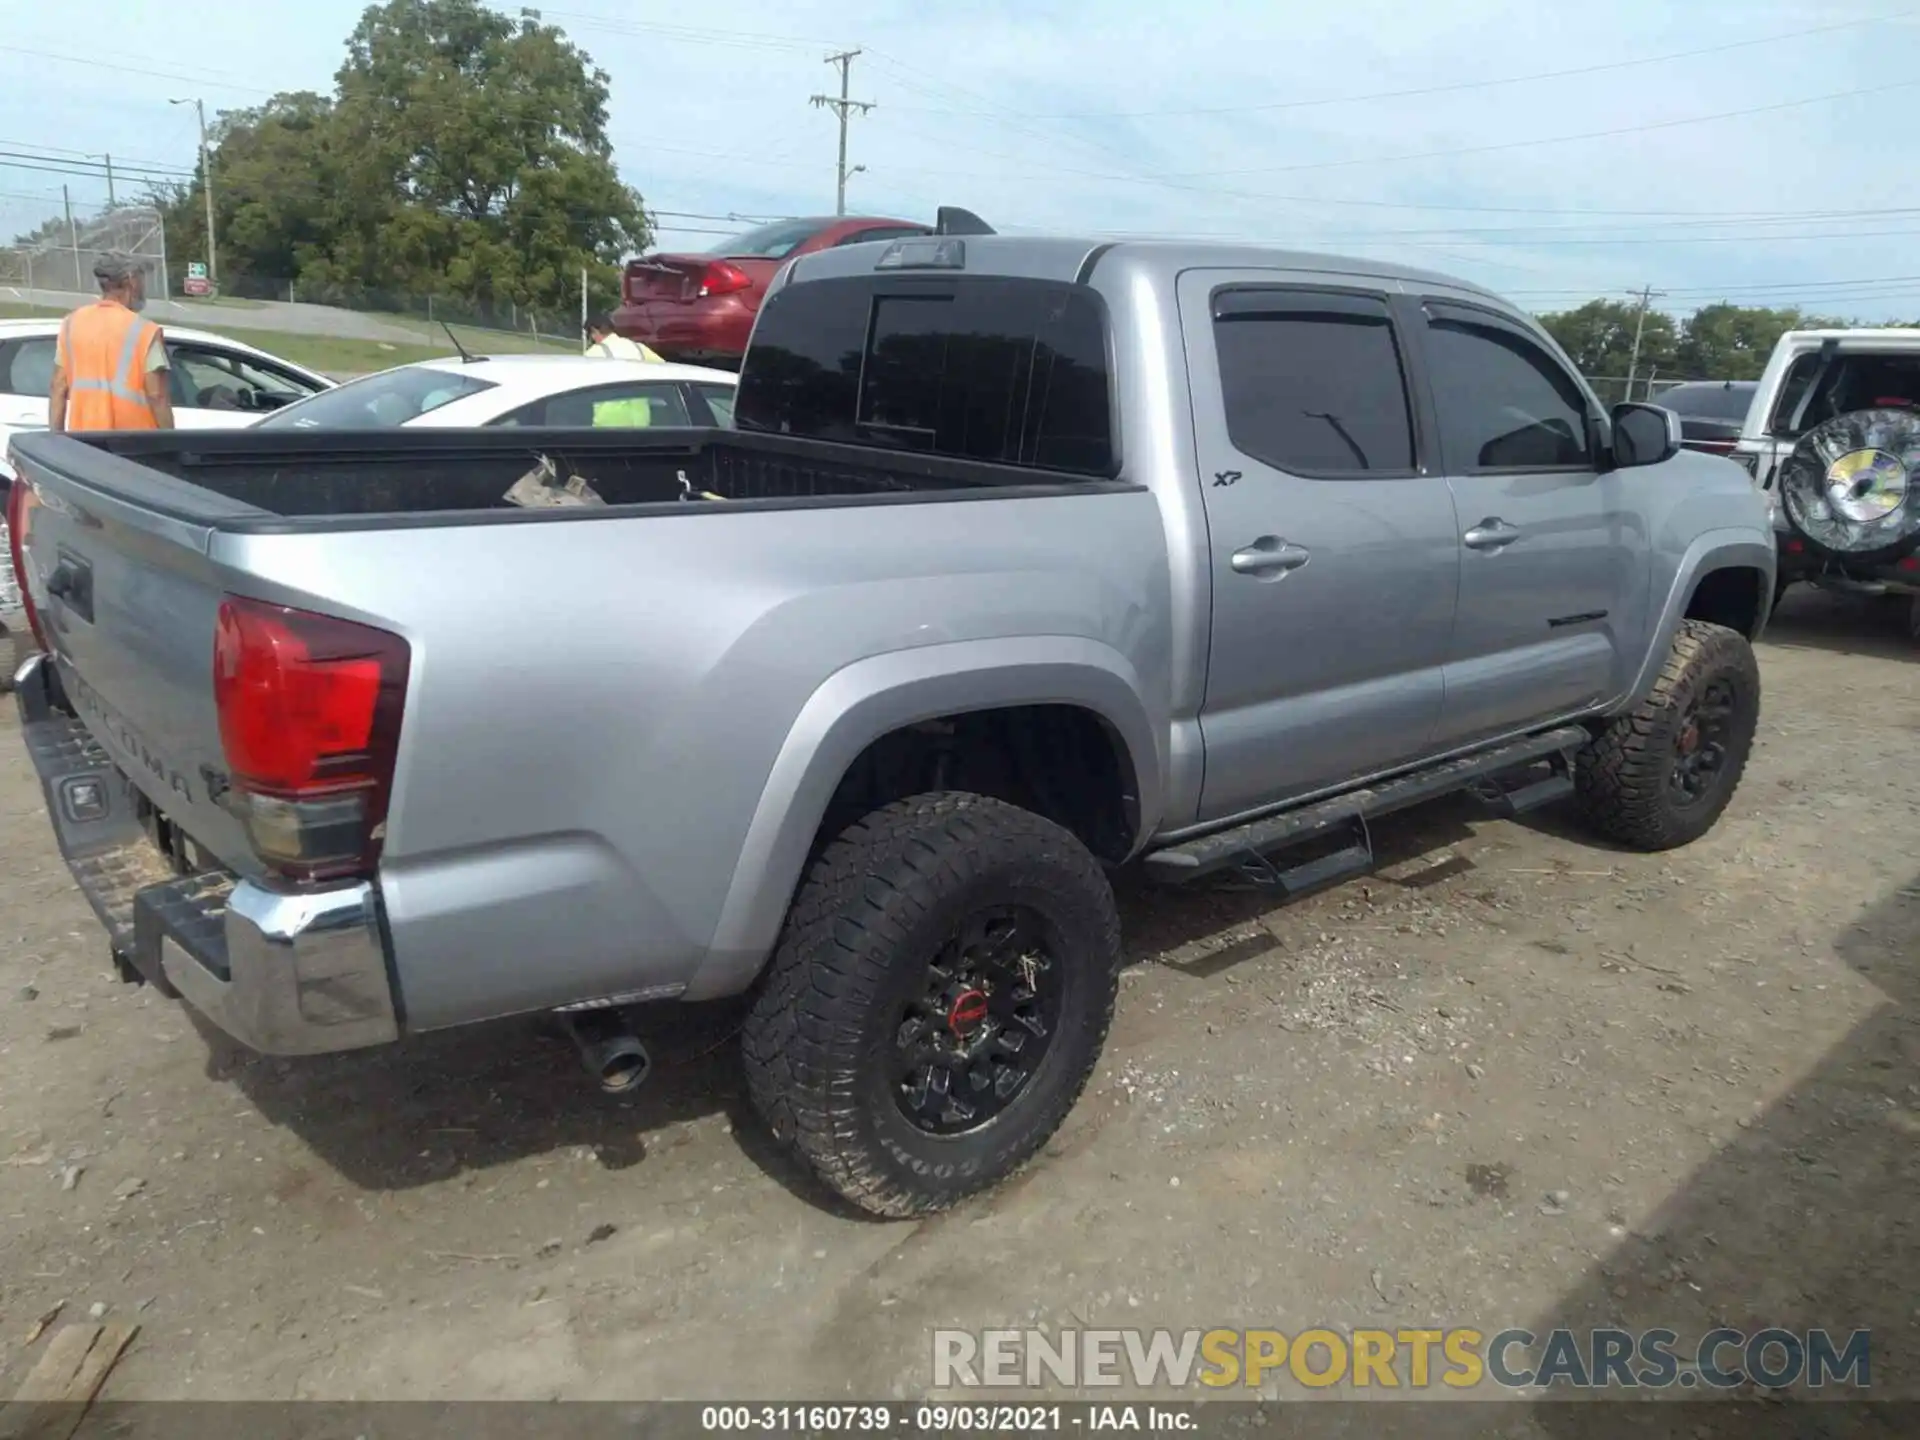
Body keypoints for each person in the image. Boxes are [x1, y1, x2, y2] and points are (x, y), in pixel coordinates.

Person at [48, 254, 174, 433]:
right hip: (135, 446)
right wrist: (172, 442)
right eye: (142, 279)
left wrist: (56, 440)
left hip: (84, 443)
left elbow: (58, 387)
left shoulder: (71, 324)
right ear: (132, 280)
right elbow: (157, 395)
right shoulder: (144, 330)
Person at [583, 312, 663, 362]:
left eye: (589, 335)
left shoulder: (592, 355)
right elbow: (664, 366)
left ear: (594, 331)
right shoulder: (638, 347)